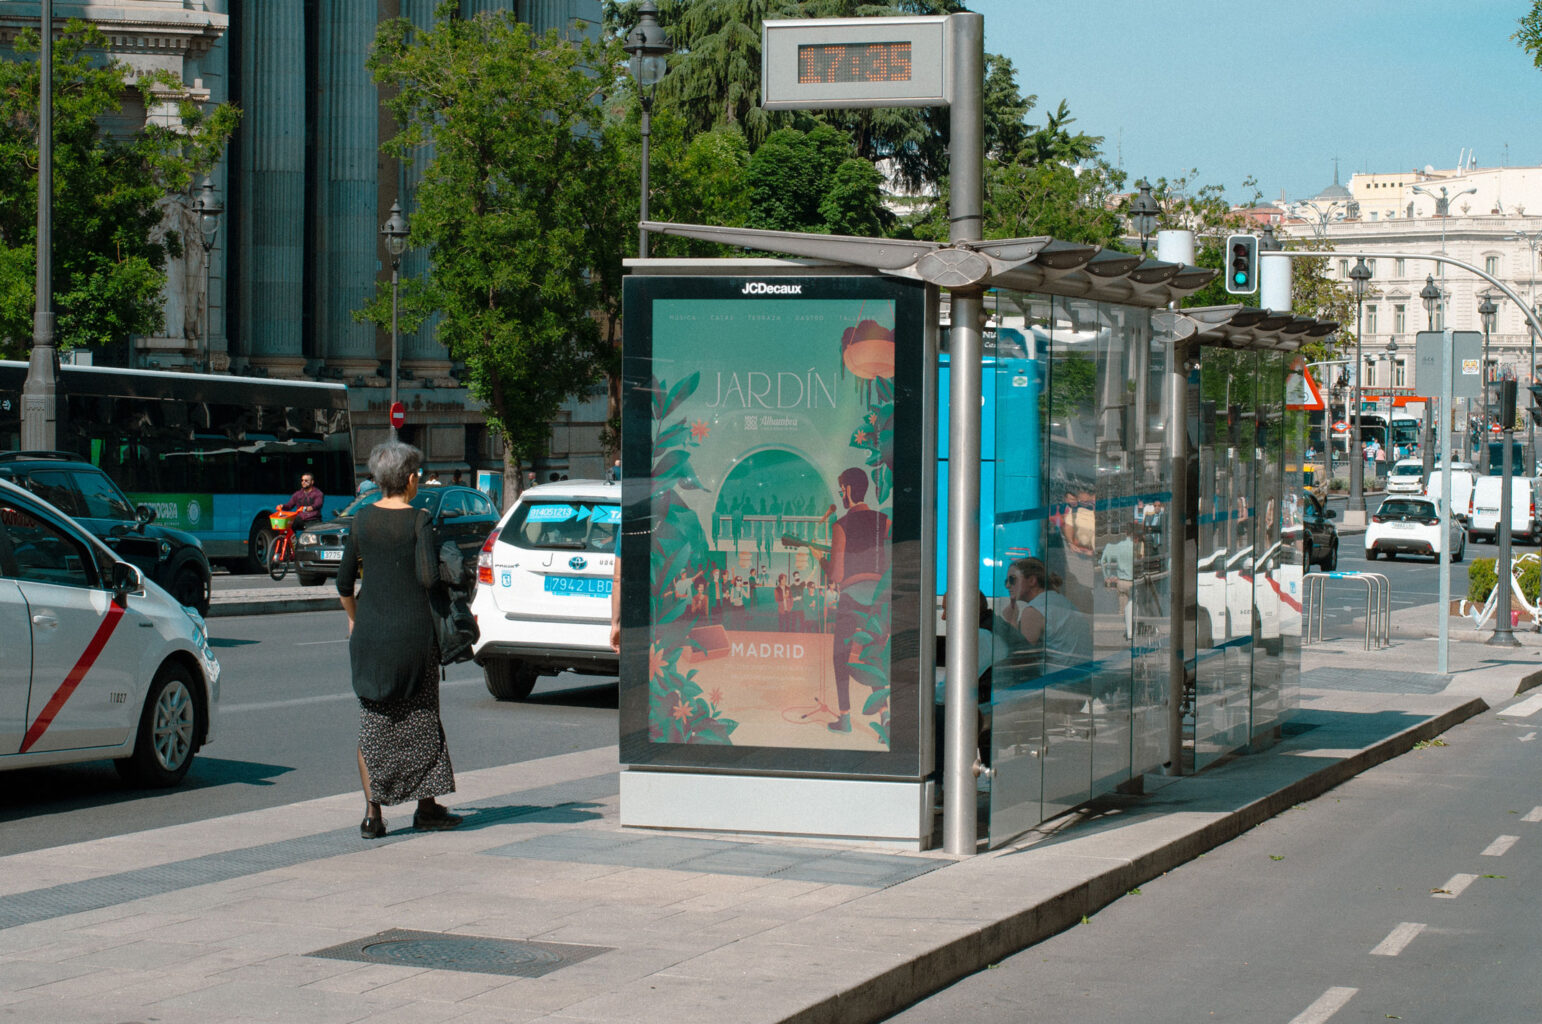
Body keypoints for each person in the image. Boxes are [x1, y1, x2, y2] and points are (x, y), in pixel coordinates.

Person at [337, 440, 460, 840]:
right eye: (417, 476)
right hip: (414, 636)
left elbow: (343, 584)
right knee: (422, 718)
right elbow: (427, 577)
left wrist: (356, 621)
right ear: (409, 480)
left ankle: (373, 815)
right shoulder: (419, 520)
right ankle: (426, 809)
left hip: (370, 634)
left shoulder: (359, 521)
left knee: (372, 723)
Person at [825, 467, 892, 733]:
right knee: (873, 655)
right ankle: (885, 715)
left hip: (851, 598)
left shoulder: (840, 525)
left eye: (841, 487)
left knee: (840, 656)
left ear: (849, 490)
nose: (840, 492)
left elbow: (837, 574)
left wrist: (825, 564)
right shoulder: (884, 521)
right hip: (877, 599)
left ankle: (845, 717)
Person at [1004, 557, 1092, 669]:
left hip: (1056, 681)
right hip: (1079, 676)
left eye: (1012, 580)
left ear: (1032, 581)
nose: (1008, 585)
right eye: (1006, 581)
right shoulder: (1060, 601)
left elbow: (1020, 660)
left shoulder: (1033, 611)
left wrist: (1011, 621)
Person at [1099, 521, 1140, 637]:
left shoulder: (1117, 546)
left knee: (1123, 610)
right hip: (1134, 581)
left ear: (1125, 532)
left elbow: (1103, 561)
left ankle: (1128, 632)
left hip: (1121, 581)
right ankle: (1133, 631)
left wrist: (1107, 576)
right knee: (1134, 608)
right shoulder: (1136, 546)